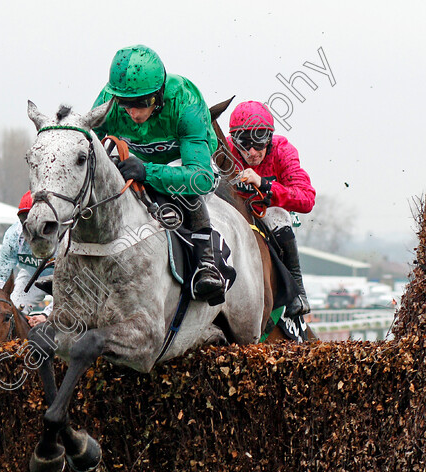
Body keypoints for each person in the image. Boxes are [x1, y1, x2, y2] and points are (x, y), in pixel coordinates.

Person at [93, 45, 224, 303]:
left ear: (160, 93)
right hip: (135, 157)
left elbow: (200, 178)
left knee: (185, 192)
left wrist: (147, 171)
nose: (133, 112)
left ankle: (205, 263)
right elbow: (90, 148)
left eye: (143, 103)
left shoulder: (186, 101)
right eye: (125, 104)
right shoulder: (108, 99)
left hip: (185, 160)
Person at [227, 100, 315, 316]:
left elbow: (307, 199)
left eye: (259, 143)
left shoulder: (283, 150)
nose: (252, 151)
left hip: (268, 212)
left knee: (278, 215)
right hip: (232, 211)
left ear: (269, 139)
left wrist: (264, 185)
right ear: (234, 141)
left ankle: (298, 292)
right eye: (244, 143)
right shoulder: (225, 150)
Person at [0, 191, 54, 326]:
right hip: (31, 275)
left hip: (64, 278)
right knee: (12, 310)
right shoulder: (13, 235)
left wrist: (46, 315)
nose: (28, 224)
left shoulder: (64, 234)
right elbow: (3, 270)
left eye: (32, 218)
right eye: (24, 218)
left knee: (60, 317)